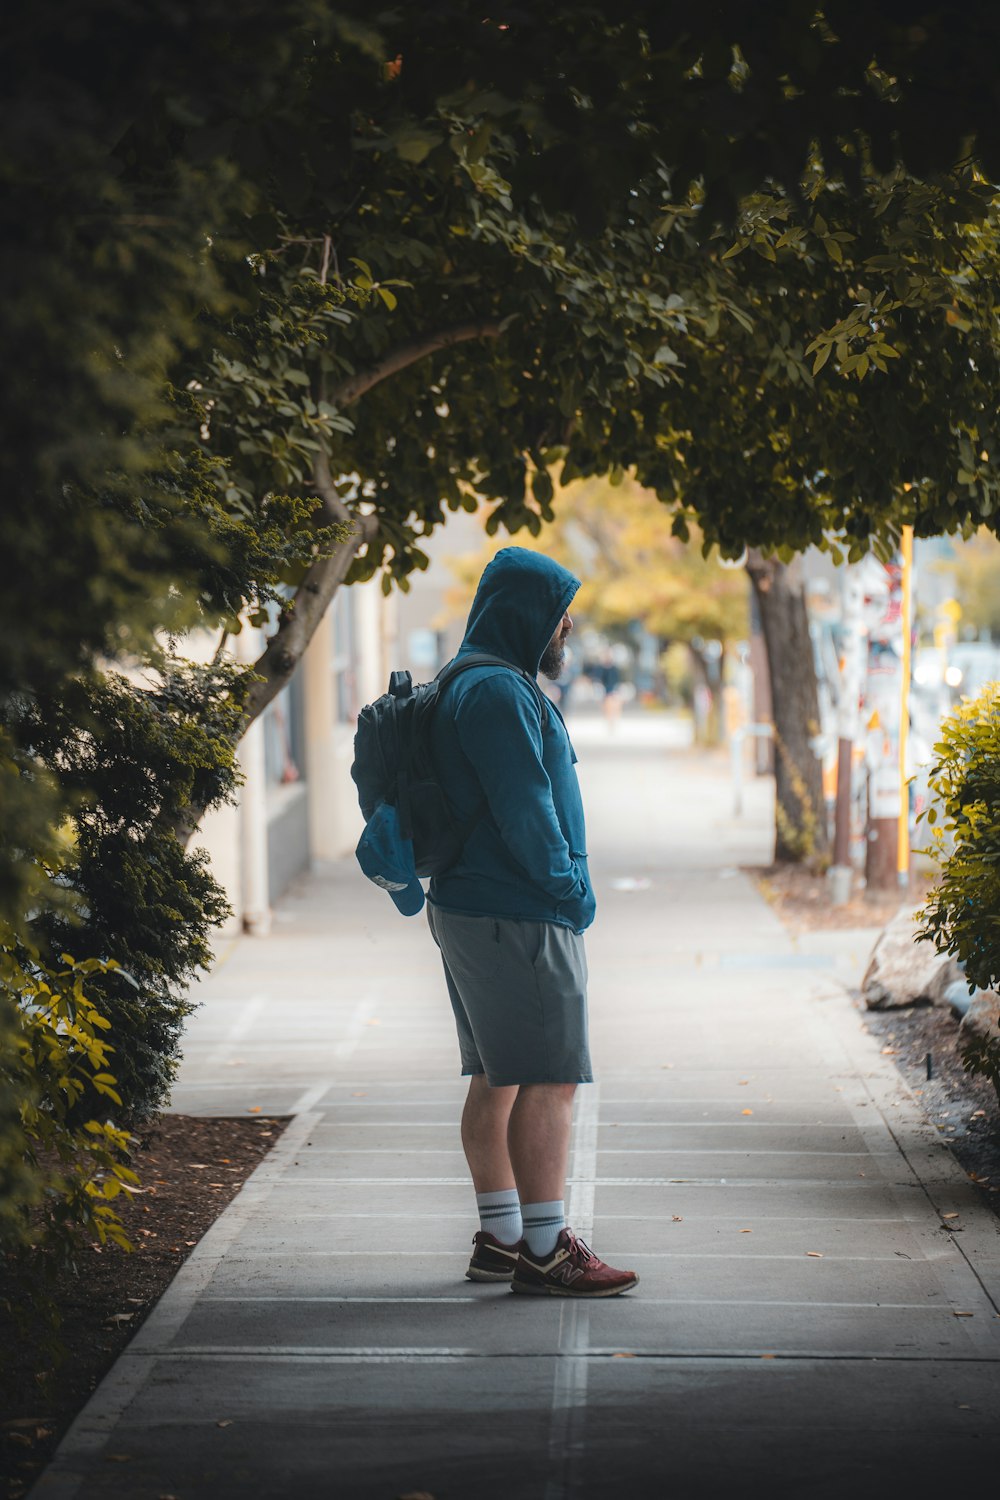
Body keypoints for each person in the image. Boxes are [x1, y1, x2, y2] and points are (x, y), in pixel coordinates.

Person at [425, 547, 638, 1298]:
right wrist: (570, 891)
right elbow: (526, 810)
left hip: (479, 907)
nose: (568, 628)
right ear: (526, 615)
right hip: (515, 909)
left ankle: (503, 1237)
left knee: (500, 1075)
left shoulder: (477, 681)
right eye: (558, 614)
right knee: (550, 1076)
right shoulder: (498, 694)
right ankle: (546, 1252)